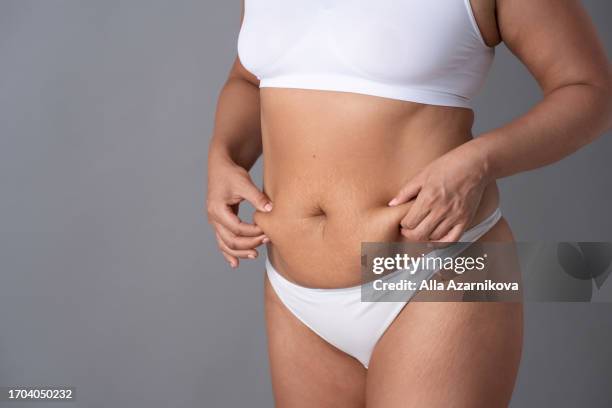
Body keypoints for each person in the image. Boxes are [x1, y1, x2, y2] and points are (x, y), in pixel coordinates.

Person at [206, 0, 612, 406]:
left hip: (442, 273)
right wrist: (223, 156)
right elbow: (247, 77)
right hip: (294, 294)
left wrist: (480, 162)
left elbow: (591, 91)